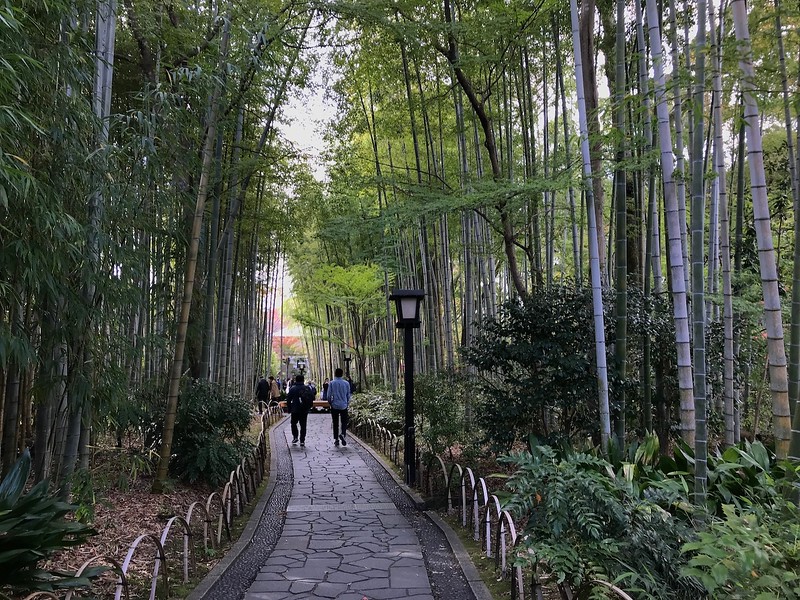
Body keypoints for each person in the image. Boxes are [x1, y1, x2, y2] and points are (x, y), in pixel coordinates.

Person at [328, 368, 351, 447]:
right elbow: (348, 395)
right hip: (344, 405)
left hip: (334, 405)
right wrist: (347, 403)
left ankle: (336, 439)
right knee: (344, 422)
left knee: (335, 423)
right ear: (342, 374)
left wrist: (330, 403)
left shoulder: (332, 383)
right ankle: (343, 434)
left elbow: (328, 395)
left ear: (335, 374)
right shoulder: (346, 383)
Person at [286, 374, 312, 447]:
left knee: (293, 423)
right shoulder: (307, 388)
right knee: (303, 425)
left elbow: (288, 399)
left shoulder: (293, 388)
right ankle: (302, 440)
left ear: (296, 380)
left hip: (295, 409)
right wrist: (309, 407)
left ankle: (295, 436)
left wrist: (289, 408)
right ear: (303, 380)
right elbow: (311, 397)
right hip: (304, 409)